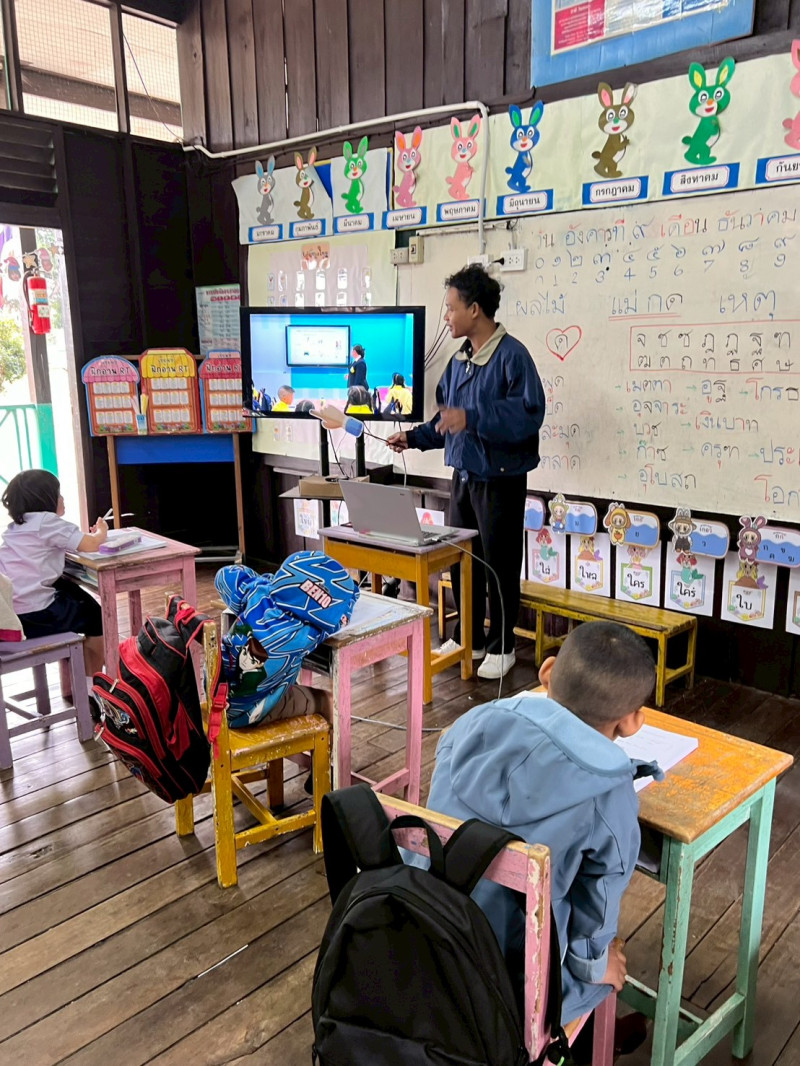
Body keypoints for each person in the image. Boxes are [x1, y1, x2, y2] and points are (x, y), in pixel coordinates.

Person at [420, 622, 657, 1052]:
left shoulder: (471, 723)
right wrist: (597, 965)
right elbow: (597, 907)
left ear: (547, 671)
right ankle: (580, 1047)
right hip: (511, 985)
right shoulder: (609, 795)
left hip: (426, 933)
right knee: (602, 961)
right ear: (631, 722)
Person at [388, 264, 545, 680]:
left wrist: (472, 417)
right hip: (463, 476)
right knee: (462, 562)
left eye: (451, 308)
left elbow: (527, 416)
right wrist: (414, 437)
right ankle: (469, 638)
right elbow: (448, 420)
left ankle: (502, 646)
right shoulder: (459, 362)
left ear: (474, 309)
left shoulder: (513, 356)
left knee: (499, 565)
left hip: (500, 480)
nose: (446, 317)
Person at [0, 469, 109, 690]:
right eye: (58, 494)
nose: (62, 498)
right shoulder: (47, 522)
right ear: (46, 498)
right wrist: (102, 531)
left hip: (9, 615)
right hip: (35, 616)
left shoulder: (16, 527)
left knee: (70, 591)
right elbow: (92, 545)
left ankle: (82, 682)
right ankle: (92, 687)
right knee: (97, 617)